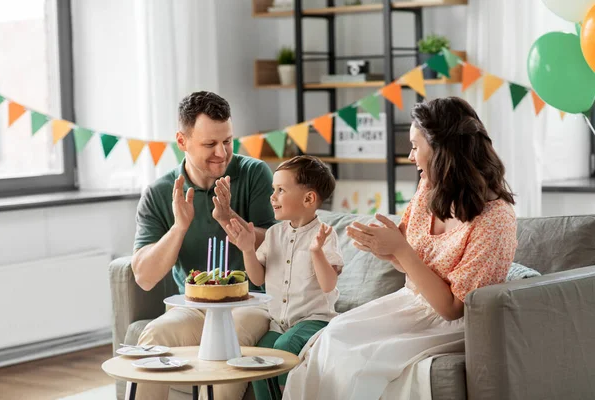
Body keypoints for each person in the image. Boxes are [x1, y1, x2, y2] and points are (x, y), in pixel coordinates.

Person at [282, 97, 518, 400]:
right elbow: (404, 260)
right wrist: (385, 249)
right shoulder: (429, 189)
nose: (410, 156)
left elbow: (452, 308)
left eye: (415, 146)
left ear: (442, 150)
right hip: (410, 304)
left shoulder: (495, 219)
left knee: (359, 362)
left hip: (451, 324)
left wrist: (401, 251)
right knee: (331, 337)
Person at [131, 91, 276, 400]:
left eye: (228, 141)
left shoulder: (254, 174)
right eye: (210, 144)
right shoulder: (159, 193)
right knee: (155, 335)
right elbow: (144, 277)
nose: (222, 153)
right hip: (194, 308)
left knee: (229, 342)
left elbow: (279, 244)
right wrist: (179, 227)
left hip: (250, 303)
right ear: (182, 142)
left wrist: (227, 218)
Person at [225, 156, 344, 400]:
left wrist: (316, 252)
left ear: (308, 199)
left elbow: (328, 284)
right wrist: (247, 249)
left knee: (283, 348)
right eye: (273, 190)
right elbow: (257, 278)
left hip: (315, 321)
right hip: (279, 324)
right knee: (257, 356)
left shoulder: (325, 236)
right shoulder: (274, 234)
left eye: (281, 190)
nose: (273, 196)